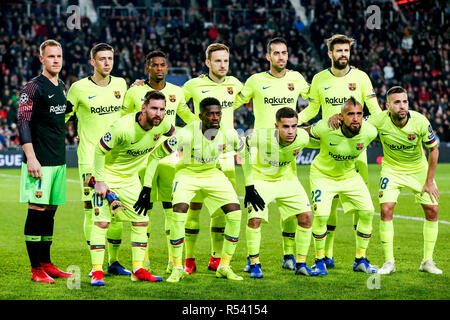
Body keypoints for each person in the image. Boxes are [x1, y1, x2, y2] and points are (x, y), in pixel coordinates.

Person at [297, 34, 381, 268]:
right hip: (330, 146)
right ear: (330, 54)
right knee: (327, 207)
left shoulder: (362, 78)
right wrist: (293, 121)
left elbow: (373, 110)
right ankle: (327, 255)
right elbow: (312, 109)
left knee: (361, 208)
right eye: (339, 51)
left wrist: (388, 124)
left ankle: (360, 257)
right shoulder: (319, 79)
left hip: (356, 151)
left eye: (346, 51)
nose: (343, 54)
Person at [144, 97, 245, 283]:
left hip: (212, 173)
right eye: (210, 114)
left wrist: (251, 186)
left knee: (235, 213)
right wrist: (146, 187)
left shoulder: (229, 133)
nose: (215, 117)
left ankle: (224, 265)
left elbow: (244, 154)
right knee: (179, 212)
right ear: (201, 116)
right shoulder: (186, 134)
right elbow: (156, 155)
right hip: (186, 174)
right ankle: (177, 267)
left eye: (218, 113)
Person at [235, 37, 310, 270]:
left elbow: (316, 100)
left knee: (292, 212)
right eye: (276, 53)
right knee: (256, 216)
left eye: (284, 53)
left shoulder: (296, 79)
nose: (281, 57)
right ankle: (253, 260)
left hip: (286, 156)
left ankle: (290, 257)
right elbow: (233, 101)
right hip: (262, 153)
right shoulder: (256, 81)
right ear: (268, 56)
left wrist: (298, 123)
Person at [89, 90, 173, 286]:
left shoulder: (163, 125)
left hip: (131, 180)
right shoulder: (123, 127)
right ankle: (97, 271)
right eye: (154, 108)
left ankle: (138, 269)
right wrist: (100, 181)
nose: (158, 114)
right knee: (102, 224)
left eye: (162, 110)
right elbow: (100, 149)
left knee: (141, 222)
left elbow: (172, 134)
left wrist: (166, 150)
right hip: (108, 176)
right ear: (143, 108)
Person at [122, 50, 195, 274]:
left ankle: (174, 262)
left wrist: (205, 131)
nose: (159, 69)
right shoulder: (135, 91)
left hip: (169, 158)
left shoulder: (177, 92)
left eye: (163, 65)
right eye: (155, 65)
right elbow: (123, 119)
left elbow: (189, 117)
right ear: (147, 68)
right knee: (143, 209)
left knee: (171, 210)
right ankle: (143, 262)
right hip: (141, 159)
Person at [65, 43, 130, 276]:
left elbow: (130, 112)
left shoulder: (121, 84)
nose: (106, 63)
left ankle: (114, 261)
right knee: (92, 209)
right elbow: (63, 117)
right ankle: (97, 266)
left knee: (117, 210)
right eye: (101, 59)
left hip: (117, 159)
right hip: (90, 159)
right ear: (92, 62)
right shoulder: (78, 88)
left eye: (110, 58)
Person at [182, 43, 243, 274]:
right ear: (208, 63)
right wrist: (192, 123)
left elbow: (252, 96)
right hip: (197, 153)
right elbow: (175, 102)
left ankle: (216, 258)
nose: (222, 65)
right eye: (217, 61)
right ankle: (189, 259)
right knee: (194, 208)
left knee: (221, 211)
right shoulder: (193, 85)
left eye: (226, 60)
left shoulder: (235, 84)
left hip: (226, 154)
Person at [367, 86, 441, 274]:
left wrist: (429, 181)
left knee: (432, 210)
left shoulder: (420, 121)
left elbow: (434, 149)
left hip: (418, 169)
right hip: (391, 169)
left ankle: (427, 261)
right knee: (386, 209)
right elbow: (357, 124)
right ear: (387, 106)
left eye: (405, 101)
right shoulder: (378, 120)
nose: (402, 106)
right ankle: (389, 262)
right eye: (397, 102)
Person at [18, 39, 74, 283]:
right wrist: (31, 158)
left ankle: (46, 263)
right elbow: (23, 122)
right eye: (51, 56)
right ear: (42, 59)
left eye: (59, 56)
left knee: (50, 212)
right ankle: (35, 270)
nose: (56, 60)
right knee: (37, 211)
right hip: (39, 161)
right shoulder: (32, 87)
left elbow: (63, 115)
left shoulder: (61, 85)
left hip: (58, 161)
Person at [305, 97, 378, 275]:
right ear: (341, 116)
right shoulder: (326, 126)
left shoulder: (370, 132)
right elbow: (304, 133)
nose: (355, 118)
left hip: (349, 176)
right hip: (322, 175)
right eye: (350, 114)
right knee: (321, 215)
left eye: (359, 114)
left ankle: (360, 259)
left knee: (368, 211)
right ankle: (319, 260)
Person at [241, 107, 317, 278]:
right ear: (276, 126)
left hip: (287, 180)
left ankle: (301, 264)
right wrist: (249, 184)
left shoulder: (302, 137)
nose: (290, 131)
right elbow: (242, 146)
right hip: (261, 180)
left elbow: (321, 137)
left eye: (294, 126)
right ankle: (254, 263)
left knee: (306, 217)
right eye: (285, 127)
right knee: (254, 219)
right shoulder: (261, 136)